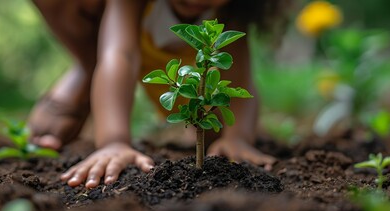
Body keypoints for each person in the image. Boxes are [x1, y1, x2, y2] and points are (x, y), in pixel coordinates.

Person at [28, 0, 289, 188]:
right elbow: (119, 55)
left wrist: (239, 137)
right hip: (141, 56)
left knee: (216, 138)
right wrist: (113, 141)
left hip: (191, 76)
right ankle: (85, 70)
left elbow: (240, 79)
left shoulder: (229, 12)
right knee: (48, 128)